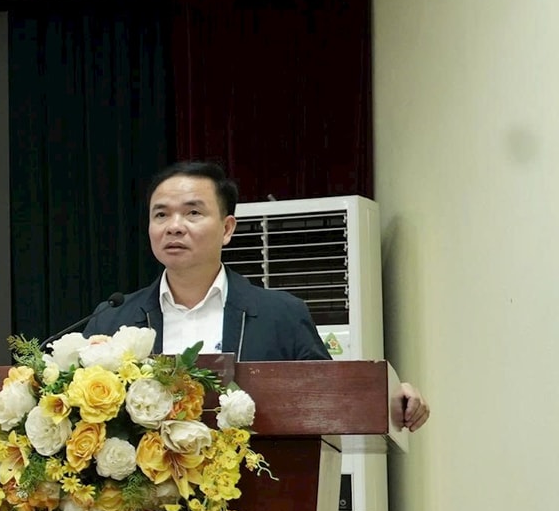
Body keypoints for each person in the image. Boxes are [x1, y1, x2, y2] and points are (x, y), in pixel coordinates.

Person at [85, 160, 429, 430]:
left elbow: (331, 393)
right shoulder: (112, 320)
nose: (174, 226)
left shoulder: (281, 315)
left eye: (193, 212)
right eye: (161, 214)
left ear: (227, 229)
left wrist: (391, 398)